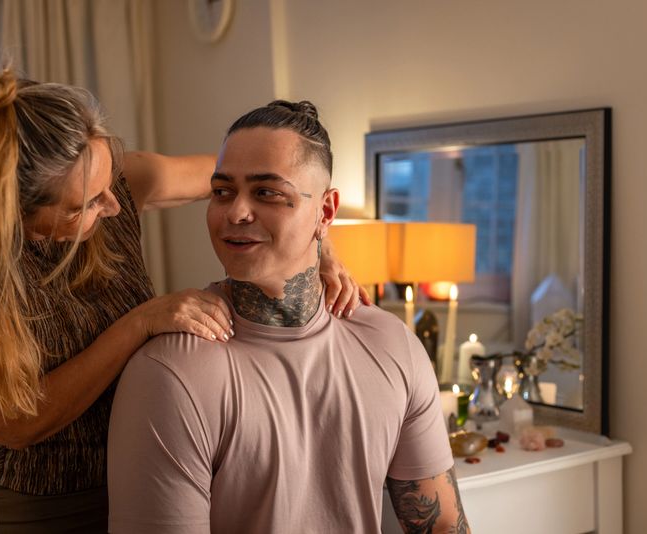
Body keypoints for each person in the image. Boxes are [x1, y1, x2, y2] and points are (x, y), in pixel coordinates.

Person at [0, 56, 366, 533]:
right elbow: (12, 424)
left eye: (110, 183)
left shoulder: (112, 177)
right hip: (49, 504)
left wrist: (315, 239)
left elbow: (252, 178)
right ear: (16, 210)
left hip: (154, 477)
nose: (115, 204)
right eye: (88, 203)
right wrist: (139, 323)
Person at [107, 100, 470, 533]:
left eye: (267, 193)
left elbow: (442, 526)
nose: (235, 212)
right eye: (222, 191)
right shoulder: (170, 372)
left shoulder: (393, 345)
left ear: (326, 212)